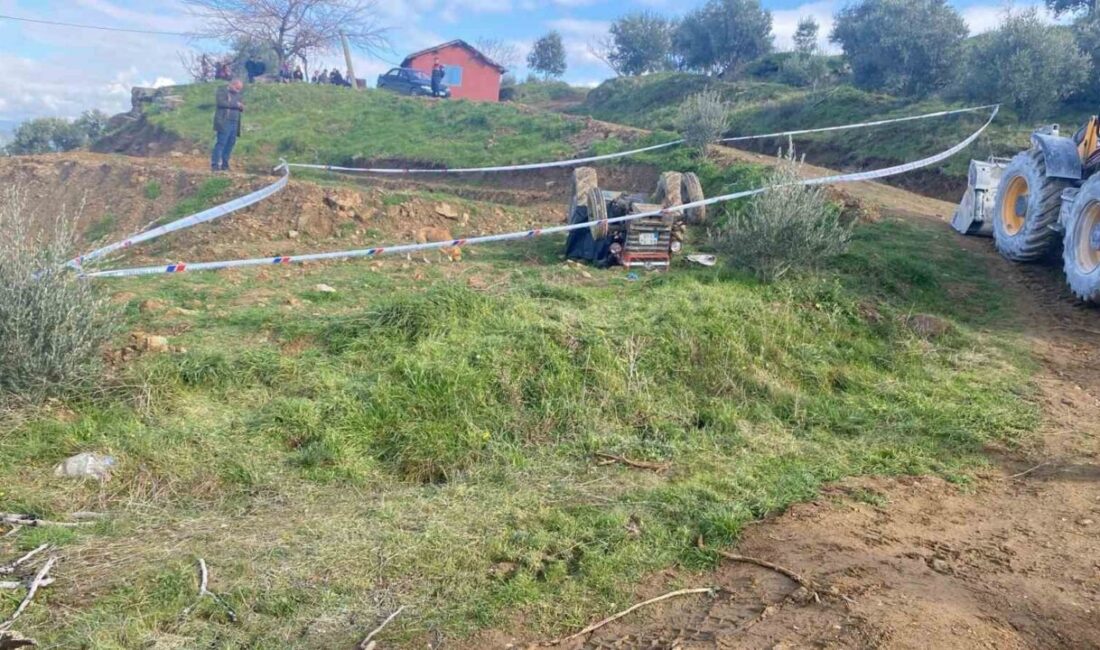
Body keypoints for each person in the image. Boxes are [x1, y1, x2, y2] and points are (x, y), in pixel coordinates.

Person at [211, 79, 244, 172]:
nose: (238, 90)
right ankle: (215, 165)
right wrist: (236, 105)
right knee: (221, 143)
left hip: (235, 122)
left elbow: (240, 106)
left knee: (230, 143)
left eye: (240, 89)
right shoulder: (222, 91)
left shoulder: (238, 95)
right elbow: (221, 103)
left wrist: (241, 106)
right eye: (237, 88)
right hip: (225, 121)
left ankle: (225, 165)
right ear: (232, 85)